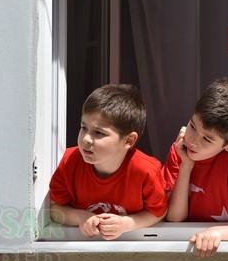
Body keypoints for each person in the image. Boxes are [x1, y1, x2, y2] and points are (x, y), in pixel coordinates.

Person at [49, 84, 168, 240]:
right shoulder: (69, 162)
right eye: (83, 127)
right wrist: (80, 218)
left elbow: (158, 212)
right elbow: (54, 209)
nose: (85, 139)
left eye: (98, 133)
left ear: (129, 140)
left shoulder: (146, 170)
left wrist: (128, 224)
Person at [162, 77, 228, 256]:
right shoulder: (179, 151)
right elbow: (174, 218)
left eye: (207, 139)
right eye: (192, 126)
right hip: (183, 250)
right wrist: (186, 165)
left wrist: (217, 233)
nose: (192, 140)